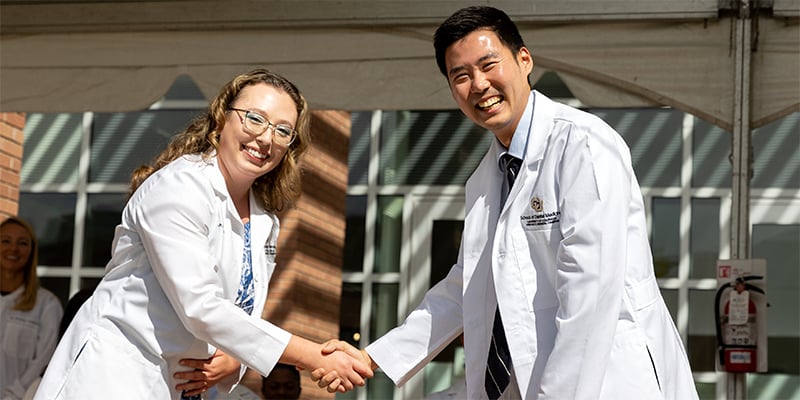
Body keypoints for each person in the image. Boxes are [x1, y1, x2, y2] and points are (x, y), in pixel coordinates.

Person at [315, 6, 698, 399]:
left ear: (524, 60)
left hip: (606, 382)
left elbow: (590, 293)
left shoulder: (582, 144)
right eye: (460, 76)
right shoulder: (486, 176)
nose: (478, 85)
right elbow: (464, 288)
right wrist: (374, 357)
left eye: (488, 65)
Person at [34, 68, 372, 400]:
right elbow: (202, 307)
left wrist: (237, 358)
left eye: (283, 130)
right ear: (222, 118)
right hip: (114, 373)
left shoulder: (265, 219)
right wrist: (313, 355)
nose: (266, 138)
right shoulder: (179, 187)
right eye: (254, 118)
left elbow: (240, 313)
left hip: (180, 383)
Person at [0, 217, 64, 400]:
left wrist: (13, 394)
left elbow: (45, 360)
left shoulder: (47, 305)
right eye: (5, 241)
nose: (13, 249)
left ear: (31, 251)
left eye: (22, 243)